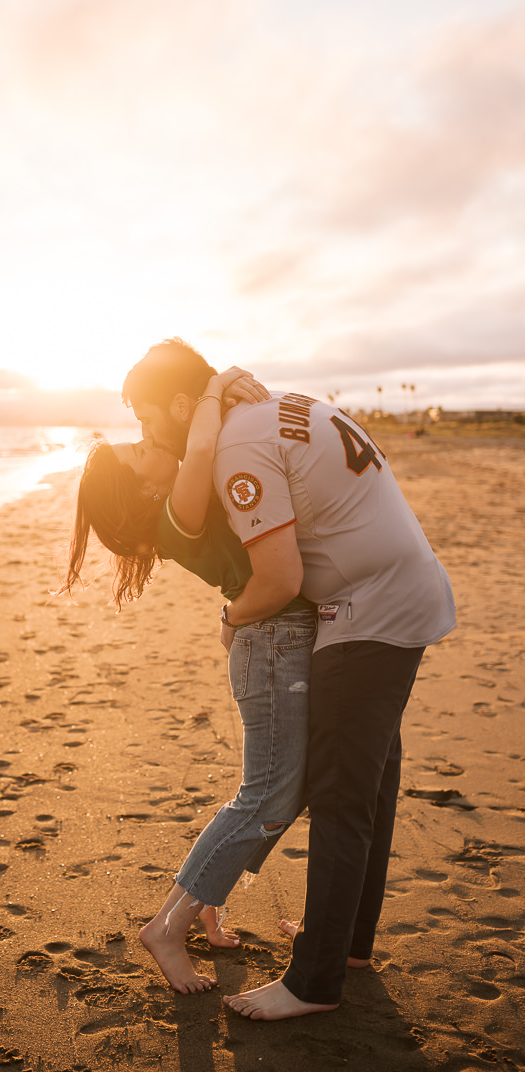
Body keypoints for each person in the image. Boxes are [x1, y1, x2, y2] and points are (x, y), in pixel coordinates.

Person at [121, 339, 457, 1020]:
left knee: (339, 795)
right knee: (369, 783)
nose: (147, 434)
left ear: (182, 405)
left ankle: (314, 981)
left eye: (147, 418)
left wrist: (229, 616)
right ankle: (347, 943)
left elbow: (278, 579)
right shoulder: (275, 408)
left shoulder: (238, 446)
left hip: (367, 608)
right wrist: (218, 391)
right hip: (398, 591)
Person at [62, 365, 317, 993]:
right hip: (270, 641)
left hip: (274, 638)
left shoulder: (179, 505)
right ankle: (166, 928)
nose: (150, 442)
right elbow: (200, 443)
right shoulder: (175, 517)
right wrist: (216, 384)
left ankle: (204, 901)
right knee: (266, 796)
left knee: (278, 790)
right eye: (139, 452)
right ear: (141, 492)